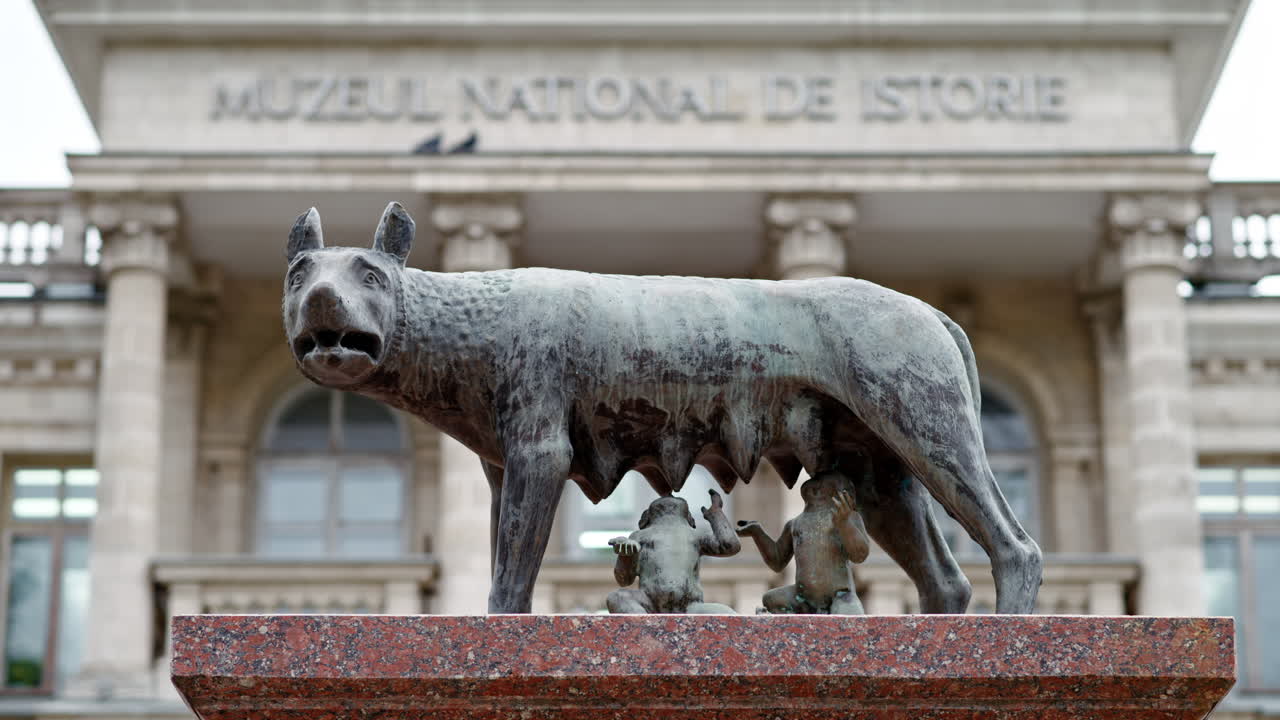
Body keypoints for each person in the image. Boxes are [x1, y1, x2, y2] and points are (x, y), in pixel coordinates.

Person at [736, 470, 869, 614]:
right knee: (771, 599)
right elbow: (777, 561)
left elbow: (859, 555)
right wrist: (757, 532)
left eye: (823, 483)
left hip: (840, 595)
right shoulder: (795, 524)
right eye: (814, 482)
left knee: (848, 616)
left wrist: (845, 524)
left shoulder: (849, 518)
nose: (815, 485)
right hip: (803, 598)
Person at [606, 490, 741, 613]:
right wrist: (625, 556)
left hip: (691, 607)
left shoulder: (695, 535)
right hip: (648, 603)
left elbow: (730, 545)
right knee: (617, 598)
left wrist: (715, 514)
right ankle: (646, 635)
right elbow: (624, 580)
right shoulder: (639, 536)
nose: (669, 501)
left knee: (727, 615)